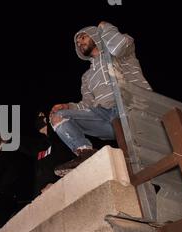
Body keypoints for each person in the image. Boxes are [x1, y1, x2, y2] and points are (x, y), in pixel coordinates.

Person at [51, 21, 153, 176]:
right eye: (77, 43)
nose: (80, 43)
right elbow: (87, 104)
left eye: (83, 38)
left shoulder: (121, 54)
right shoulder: (87, 76)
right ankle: (85, 153)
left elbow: (118, 45)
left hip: (131, 105)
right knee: (57, 117)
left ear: (95, 36)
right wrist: (68, 106)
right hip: (105, 116)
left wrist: (106, 27)